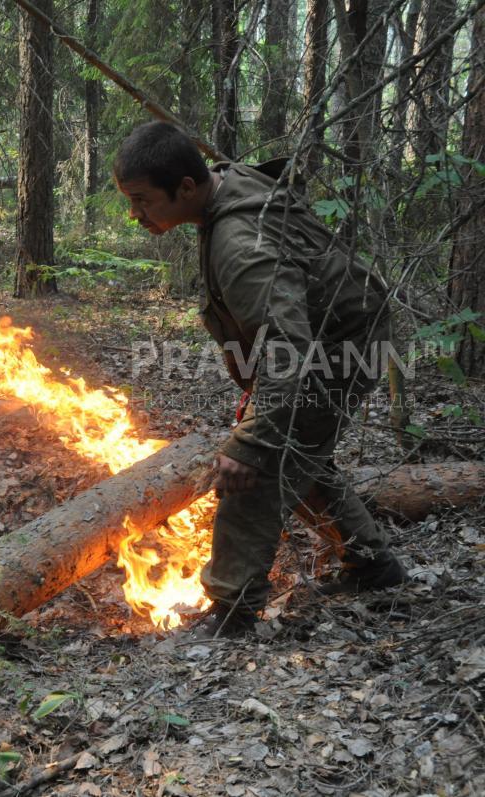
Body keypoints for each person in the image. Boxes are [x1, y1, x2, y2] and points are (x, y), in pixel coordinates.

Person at [113, 121, 406, 639]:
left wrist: (248, 443)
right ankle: (376, 572)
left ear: (185, 187)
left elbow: (288, 354)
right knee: (302, 456)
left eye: (141, 201)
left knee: (255, 471)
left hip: (338, 347)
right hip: (321, 336)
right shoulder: (218, 188)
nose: (134, 215)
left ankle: (232, 613)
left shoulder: (239, 243)